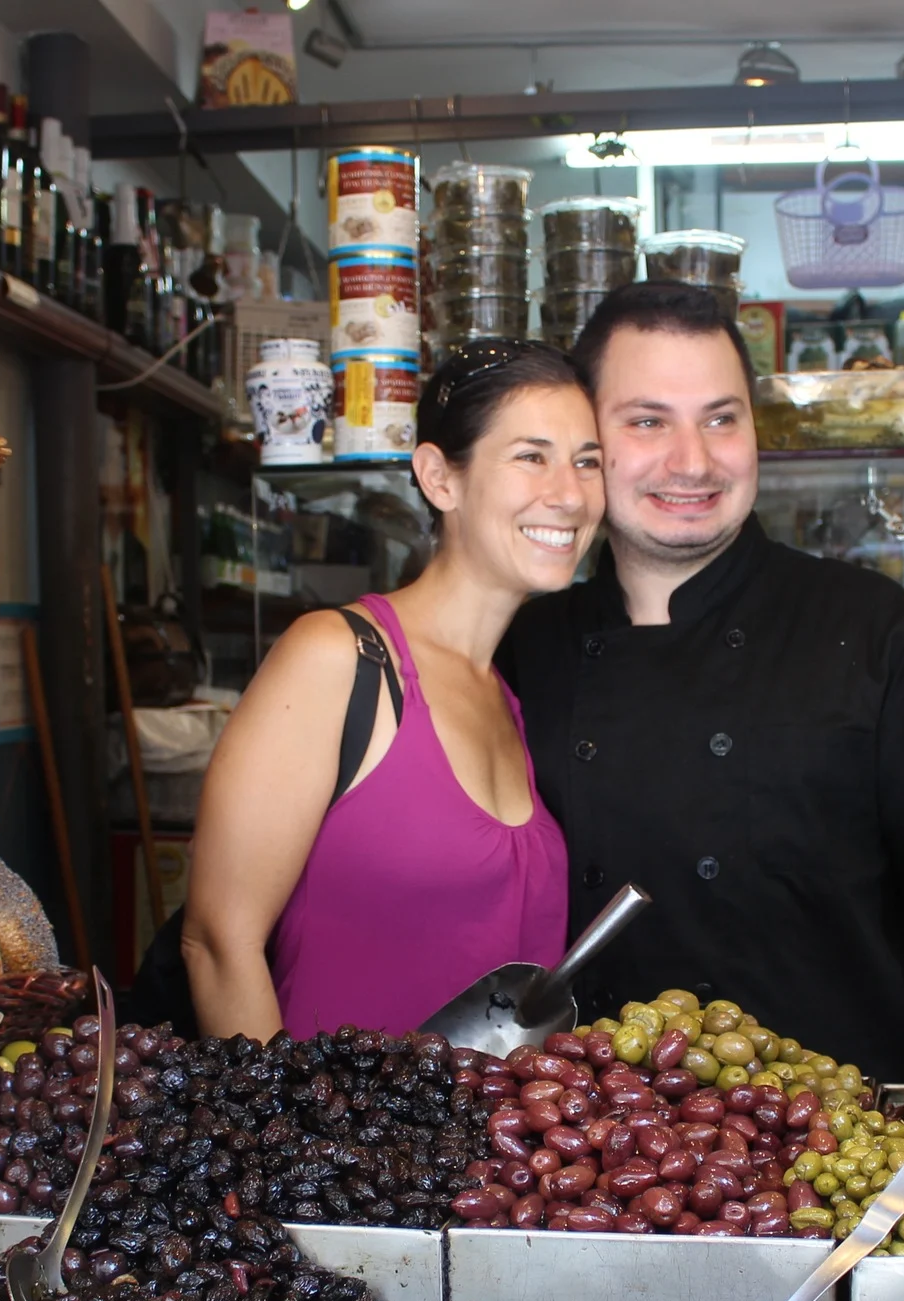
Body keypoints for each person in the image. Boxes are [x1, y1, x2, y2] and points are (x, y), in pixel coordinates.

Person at [498, 283, 904, 1082]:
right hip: (594, 1160)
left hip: (844, 1164)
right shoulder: (522, 650)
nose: (694, 461)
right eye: (649, 421)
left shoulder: (882, 637)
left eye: (722, 418)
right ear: (589, 441)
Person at [183, 340, 602, 1039]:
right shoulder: (339, 659)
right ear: (441, 478)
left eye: (587, 461)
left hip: (488, 1146)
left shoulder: (508, 694)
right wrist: (290, 1145)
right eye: (532, 455)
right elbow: (218, 944)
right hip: (332, 1142)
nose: (569, 492)